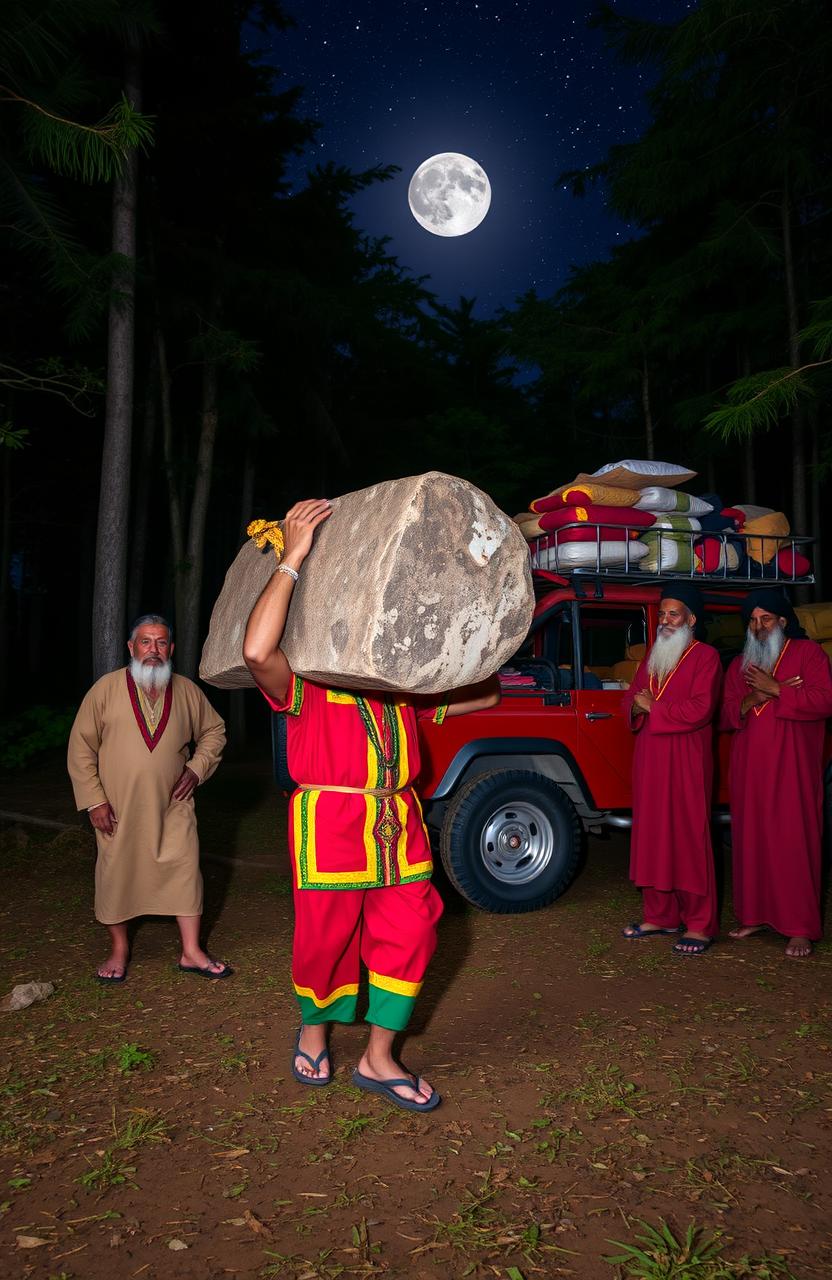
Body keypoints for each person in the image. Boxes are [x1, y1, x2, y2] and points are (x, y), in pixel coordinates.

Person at [242, 499, 500, 1113]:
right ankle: (313, 1031)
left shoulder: (401, 697)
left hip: (399, 826)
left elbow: (486, 693)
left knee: (413, 934)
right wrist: (294, 558)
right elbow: (255, 652)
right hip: (331, 825)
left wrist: (473, 607)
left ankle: (379, 1057)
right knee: (324, 942)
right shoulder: (304, 689)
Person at [67, 615, 229, 983]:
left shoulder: (187, 691)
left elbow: (214, 731)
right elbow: (80, 748)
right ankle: (119, 950)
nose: (152, 650)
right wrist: (94, 801)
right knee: (116, 873)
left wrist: (196, 769)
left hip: (173, 805)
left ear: (170, 649)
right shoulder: (105, 690)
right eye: (145, 642)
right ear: (131, 647)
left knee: (186, 869)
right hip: (118, 807)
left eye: (160, 643)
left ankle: (191, 951)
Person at [721, 588, 832, 959]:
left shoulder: (808, 653)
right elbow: (725, 713)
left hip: (793, 768)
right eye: (753, 621)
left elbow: (824, 701)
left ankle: (800, 927)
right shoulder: (742, 662)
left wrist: (777, 690)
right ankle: (754, 915)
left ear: (783, 621)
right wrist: (753, 698)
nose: (758, 626)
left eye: (765, 619)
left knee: (792, 842)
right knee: (751, 842)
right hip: (750, 768)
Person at [621, 583, 722, 955]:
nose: (664, 620)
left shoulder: (706, 657)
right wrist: (635, 707)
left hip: (686, 760)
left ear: (690, 619)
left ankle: (699, 923)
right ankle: (661, 915)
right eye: (662, 614)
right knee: (653, 836)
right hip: (650, 759)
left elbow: (700, 710)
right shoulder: (653, 656)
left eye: (672, 614)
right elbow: (631, 698)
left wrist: (652, 708)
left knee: (688, 837)